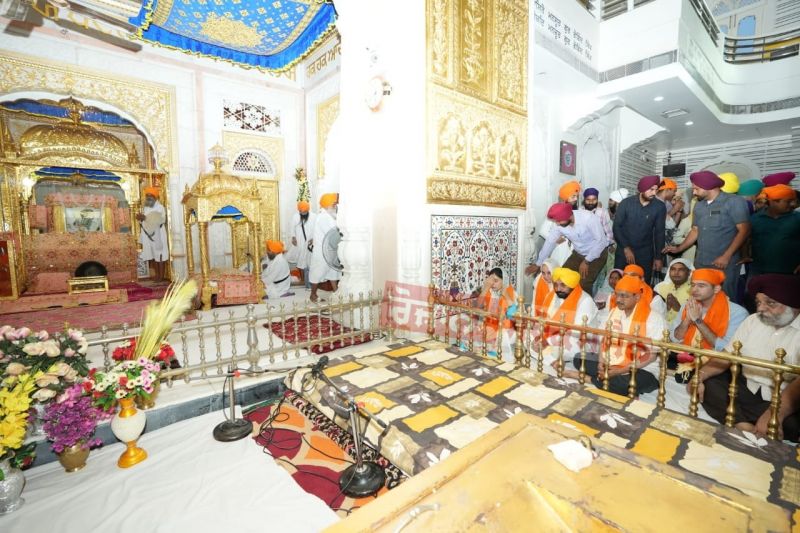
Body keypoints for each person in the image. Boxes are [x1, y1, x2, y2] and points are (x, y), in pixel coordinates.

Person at [694, 274, 800, 441]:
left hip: (783, 400)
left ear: (793, 305)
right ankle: (742, 424)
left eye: (770, 303)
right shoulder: (753, 321)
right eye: (758, 302)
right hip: (746, 389)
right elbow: (728, 355)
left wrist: (775, 414)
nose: (761, 309)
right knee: (709, 384)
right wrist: (699, 376)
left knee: (793, 425)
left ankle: (743, 417)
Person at [564, 275, 666, 396]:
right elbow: (604, 341)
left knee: (626, 384)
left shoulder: (654, 318)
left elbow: (651, 356)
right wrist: (602, 362)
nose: (618, 299)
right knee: (579, 358)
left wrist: (620, 370)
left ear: (637, 297)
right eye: (617, 294)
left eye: (624, 296)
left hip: (642, 369)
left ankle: (588, 379)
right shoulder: (614, 312)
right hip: (612, 361)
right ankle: (605, 377)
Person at [665, 170, 750, 301]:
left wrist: (726, 256)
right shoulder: (699, 205)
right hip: (702, 262)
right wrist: (679, 249)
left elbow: (744, 230)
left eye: (696, 189)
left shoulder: (734, 202)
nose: (693, 192)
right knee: (701, 299)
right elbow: (695, 231)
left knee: (724, 299)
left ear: (709, 187)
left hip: (723, 264)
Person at [669, 268, 748, 381]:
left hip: (714, 362)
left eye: (701, 286)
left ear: (716, 288)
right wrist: (686, 320)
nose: (694, 290)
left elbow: (724, 349)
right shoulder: (688, 305)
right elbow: (674, 338)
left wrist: (698, 320)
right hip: (687, 355)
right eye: (693, 285)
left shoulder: (737, 313)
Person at [527, 202, 608, 294]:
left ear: (569, 216)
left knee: (583, 284)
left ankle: (583, 306)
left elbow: (601, 241)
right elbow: (550, 242)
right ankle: (563, 305)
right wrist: (538, 263)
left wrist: (586, 261)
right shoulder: (560, 225)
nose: (557, 223)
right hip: (578, 253)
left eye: (559, 221)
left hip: (597, 253)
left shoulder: (588, 218)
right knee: (561, 278)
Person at [532, 267, 597, 369]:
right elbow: (544, 318)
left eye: (563, 285)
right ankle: (552, 361)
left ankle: (546, 356)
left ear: (572, 285)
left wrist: (548, 341)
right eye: (556, 285)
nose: (558, 289)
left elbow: (576, 332)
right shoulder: (553, 295)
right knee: (527, 337)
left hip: (577, 340)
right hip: (551, 336)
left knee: (565, 343)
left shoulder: (585, 301)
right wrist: (538, 335)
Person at [612, 175, 666, 285]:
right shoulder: (626, 204)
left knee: (642, 284)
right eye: (651, 189)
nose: (654, 193)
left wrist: (658, 258)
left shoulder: (659, 207)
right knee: (620, 282)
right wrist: (626, 248)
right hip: (624, 251)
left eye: (656, 190)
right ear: (641, 189)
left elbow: (659, 233)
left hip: (645, 253)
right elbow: (617, 227)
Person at [749, 184, 800, 276]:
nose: (792, 204)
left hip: (791, 272)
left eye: (793, 201)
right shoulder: (755, 219)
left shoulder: (797, 218)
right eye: (788, 201)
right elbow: (747, 240)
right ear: (773, 202)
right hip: (759, 271)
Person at [472, 267, 519, 361]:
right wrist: (485, 288)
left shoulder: (512, 293)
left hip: (506, 329)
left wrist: (507, 296)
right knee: (474, 332)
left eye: (496, 281)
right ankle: (490, 345)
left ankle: (494, 347)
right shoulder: (490, 292)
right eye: (490, 281)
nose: (492, 284)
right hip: (489, 327)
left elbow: (515, 317)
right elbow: (477, 308)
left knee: (504, 336)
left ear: (503, 281)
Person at [309, 193, 341, 303]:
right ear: (327, 205)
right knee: (317, 272)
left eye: (336, 204)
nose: (335, 206)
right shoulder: (323, 217)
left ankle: (336, 292)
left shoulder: (330, 215)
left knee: (333, 272)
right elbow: (332, 232)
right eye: (333, 204)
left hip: (330, 250)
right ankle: (313, 295)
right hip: (321, 251)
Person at [137, 186, 168, 282]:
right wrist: (141, 219)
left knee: (160, 254)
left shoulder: (160, 207)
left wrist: (144, 218)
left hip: (158, 234)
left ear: (155, 197)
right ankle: (157, 275)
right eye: (147, 196)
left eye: (150, 196)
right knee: (154, 255)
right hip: (148, 234)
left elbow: (158, 220)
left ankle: (161, 276)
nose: (148, 197)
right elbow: (144, 222)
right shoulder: (146, 208)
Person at [286, 201, 316, 289]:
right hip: (300, 242)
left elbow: (316, 228)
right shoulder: (295, 216)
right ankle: (303, 280)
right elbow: (292, 228)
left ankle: (309, 280)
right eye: (301, 212)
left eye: (305, 212)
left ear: (308, 210)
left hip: (310, 243)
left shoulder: (314, 216)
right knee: (300, 261)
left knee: (309, 261)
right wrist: (293, 237)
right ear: (299, 210)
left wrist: (314, 238)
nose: (303, 213)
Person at [654, 258, 693, 323]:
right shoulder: (659, 288)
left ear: (689, 272)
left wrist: (679, 308)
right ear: (669, 272)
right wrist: (665, 307)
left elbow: (698, 317)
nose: (676, 273)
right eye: (673, 269)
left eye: (681, 270)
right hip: (660, 327)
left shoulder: (695, 290)